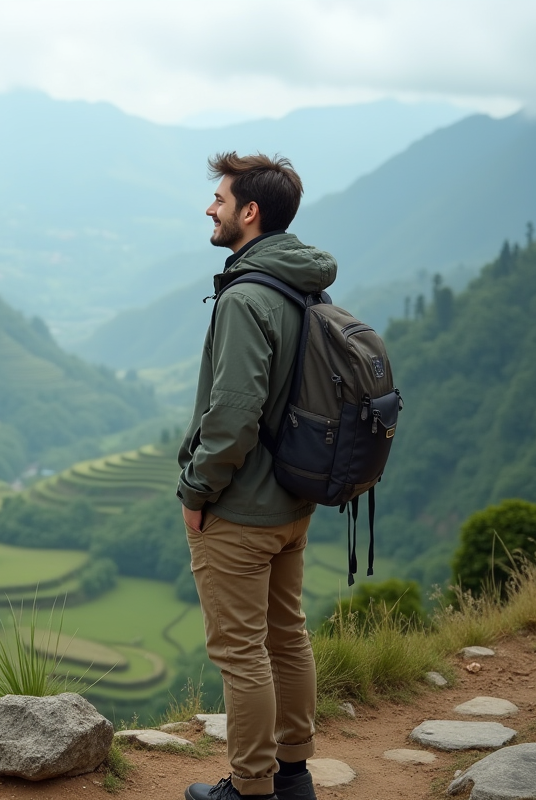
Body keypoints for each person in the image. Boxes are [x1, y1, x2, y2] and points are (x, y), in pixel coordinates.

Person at [178, 152, 335, 800]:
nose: (208, 208)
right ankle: (292, 777)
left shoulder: (247, 297)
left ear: (250, 213)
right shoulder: (306, 286)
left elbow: (236, 412)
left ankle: (249, 789)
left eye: (219, 198)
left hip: (241, 510)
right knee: (287, 636)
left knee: (243, 653)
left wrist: (196, 489)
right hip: (295, 500)